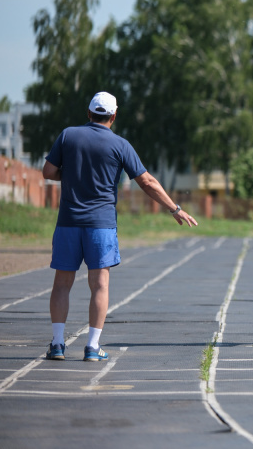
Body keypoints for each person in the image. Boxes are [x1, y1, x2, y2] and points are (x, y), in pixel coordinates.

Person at [42, 92, 198, 362]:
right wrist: (175, 208)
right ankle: (92, 346)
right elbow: (147, 181)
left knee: (61, 284)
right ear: (114, 117)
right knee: (100, 284)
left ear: (88, 113)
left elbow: (48, 171)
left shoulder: (68, 135)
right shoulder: (120, 145)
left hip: (68, 222)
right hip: (100, 225)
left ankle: (57, 344)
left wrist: (70, 174)